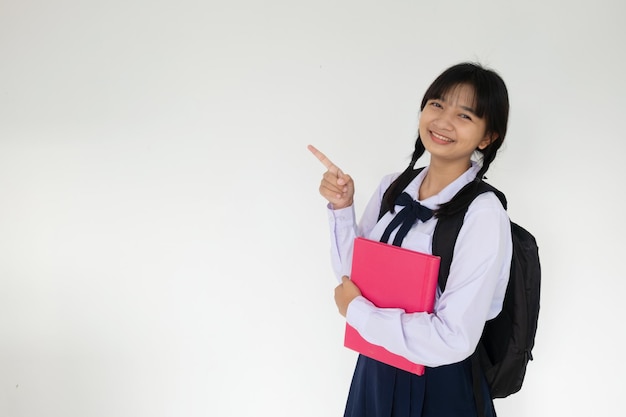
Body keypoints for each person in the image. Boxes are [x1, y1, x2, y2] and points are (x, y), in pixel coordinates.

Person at [308, 62, 512, 417]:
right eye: (437, 104)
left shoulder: (483, 212)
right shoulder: (394, 186)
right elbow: (350, 279)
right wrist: (342, 208)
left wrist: (359, 313)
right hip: (375, 367)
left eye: (464, 115)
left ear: (487, 137)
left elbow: (454, 338)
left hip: (439, 383)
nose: (443, 121)